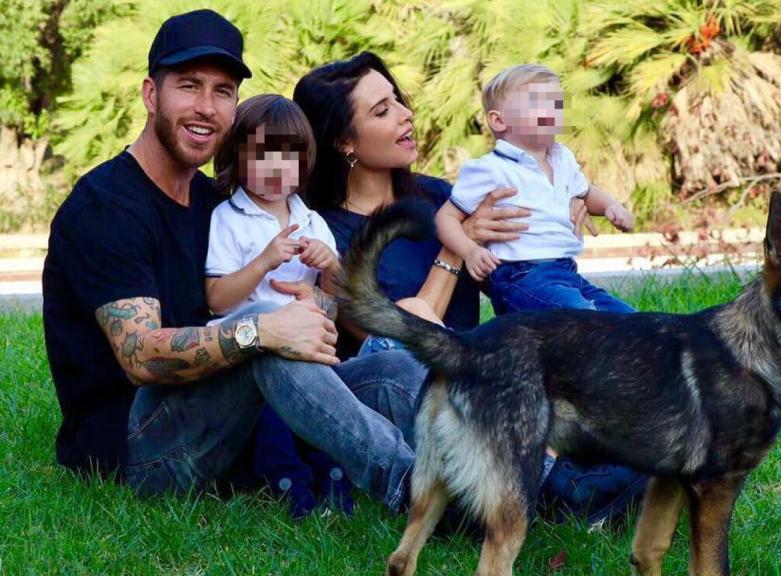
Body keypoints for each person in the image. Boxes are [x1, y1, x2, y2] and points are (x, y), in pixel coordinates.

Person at [42, 9, 423, 517]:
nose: (206, 107)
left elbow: (308, 303)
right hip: (142, 450)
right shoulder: (105, 206)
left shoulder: (218, 203)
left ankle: (536, 475)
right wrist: (263, 331)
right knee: (262, 330)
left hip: (241, 414)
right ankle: (411, 488)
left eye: (222, 91)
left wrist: (318, 305)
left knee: (395, 369)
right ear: (151, 94)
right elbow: (139, 356)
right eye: (189, 86)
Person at [294, 52, 647, 525]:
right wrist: (459, 245)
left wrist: (561, 213)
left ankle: (609, 464)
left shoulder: (442, 197)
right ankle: (560, 487)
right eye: (382, 111)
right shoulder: (322, 230)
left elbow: (520, 278)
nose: (405, 115)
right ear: (343, 142)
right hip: (403, 393)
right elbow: (392, 330)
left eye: (398, 100)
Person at [204, 93, 351, 519]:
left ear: (304, 162)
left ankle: (337, 491)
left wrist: (330, 266)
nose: (275, 168)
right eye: (261, 155)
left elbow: (336, 298)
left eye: (288, 157)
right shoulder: (228, 218)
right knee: (274, 427)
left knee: (322, 420)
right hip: (252, 355)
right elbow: (217, 298)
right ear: (238, 156)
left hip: (308, 352)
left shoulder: (313, 221)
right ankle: (293, 492)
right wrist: (265, 259)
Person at [435, 63, 636, 315]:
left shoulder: (562, 158)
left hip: (566, 272)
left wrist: (611, 206)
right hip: (520, 276)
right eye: (537, 104)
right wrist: (469, 250)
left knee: (631, 322)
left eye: (557, 103)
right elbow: (446, 217)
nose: (551, 111)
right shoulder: (491, 169)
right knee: (584, 319)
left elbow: (585, 192)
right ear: (498, 120)